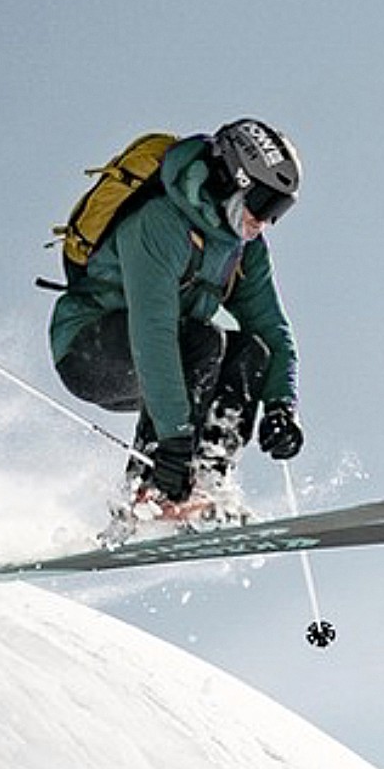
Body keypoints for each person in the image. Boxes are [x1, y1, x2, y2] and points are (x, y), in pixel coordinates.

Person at [49, 118, 306, 523]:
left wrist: (280, 405)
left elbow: (271, 329)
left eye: (279, 211)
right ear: (231, 180)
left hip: (170, 369)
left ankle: (204, 488)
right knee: (203, 340)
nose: (265, 221)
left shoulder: (242, 247)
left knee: (250, 352)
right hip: (90, 350)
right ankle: (150, 490)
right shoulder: (161, 222)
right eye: (262, 203)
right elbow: (153, 333)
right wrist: (172, 441)